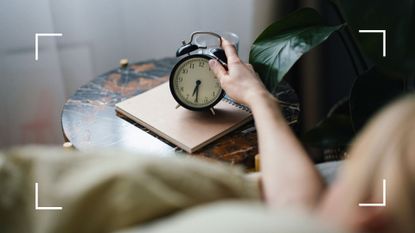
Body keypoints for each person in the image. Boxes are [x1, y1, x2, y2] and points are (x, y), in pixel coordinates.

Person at [1, 39, 414, 233]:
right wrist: (257, 97)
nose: (333, 178)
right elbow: (296, 201)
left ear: (370, 217)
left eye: (350, 168)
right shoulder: (308, 218)